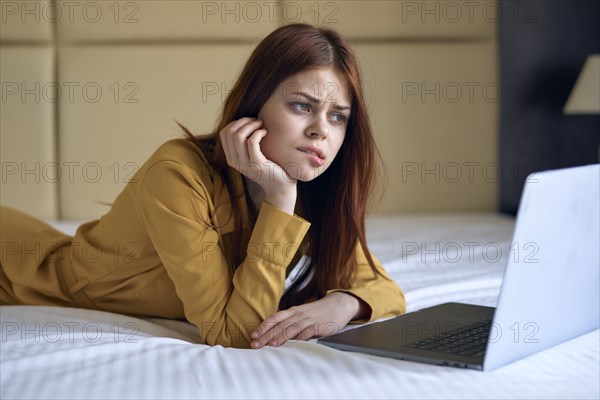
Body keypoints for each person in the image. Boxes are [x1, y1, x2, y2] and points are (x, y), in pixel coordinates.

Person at [0, 23, 405, 348]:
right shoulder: (177, 173)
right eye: (302, 106)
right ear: (254, 105)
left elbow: (384, 289)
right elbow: (232, 334)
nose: (321, 131)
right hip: (18, 273)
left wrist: (342, 305)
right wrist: (280, 200)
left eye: (338, 117)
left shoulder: (313, 187)